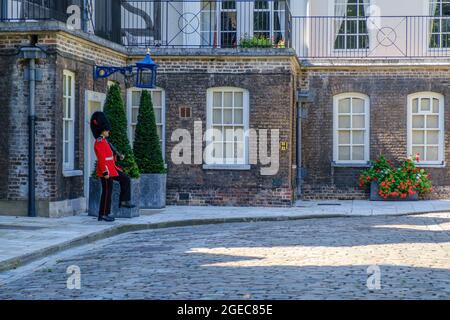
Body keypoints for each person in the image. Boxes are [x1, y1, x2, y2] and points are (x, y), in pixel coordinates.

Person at [90, 112, 135, 222]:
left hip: (112, 168)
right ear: (102, 130)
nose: (109, 131)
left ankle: (124, 201)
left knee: (125, 178)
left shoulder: (105, 141)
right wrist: (105, 172)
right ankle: (103, 214)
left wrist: (118, 158)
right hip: (106, 171)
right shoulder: (99, 142)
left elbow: (109, 156)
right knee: (107, 193)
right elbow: (101, 159)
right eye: (107, 130)